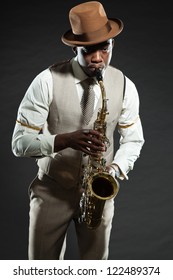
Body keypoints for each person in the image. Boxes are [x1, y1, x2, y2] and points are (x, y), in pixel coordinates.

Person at [11, 1, 144, 260]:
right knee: (40, 272)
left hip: (99, 194)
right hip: (52, 192)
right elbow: (19, 143)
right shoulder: (46, 80)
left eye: (104, 49)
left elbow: (133, 139)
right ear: (75, 48)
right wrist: (64, 140)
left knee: (96, 271)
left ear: (112, 44)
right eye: (88, 50)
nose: (97, 59)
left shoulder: (125, 85)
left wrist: (114, 171)